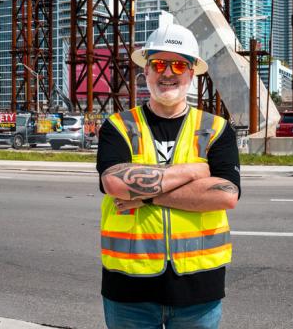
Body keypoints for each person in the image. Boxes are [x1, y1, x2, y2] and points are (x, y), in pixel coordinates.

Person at [96, 19, 240, 329]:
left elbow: (226, 195)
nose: (167, 73)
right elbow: (114, 182)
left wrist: (144, 197)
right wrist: (193, 171)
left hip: (198, 291)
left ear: (192, 73)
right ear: (145, 71)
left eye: (178, 65)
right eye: (159, 63)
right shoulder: (118, 126)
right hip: (128, 290)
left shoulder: (216, 129)